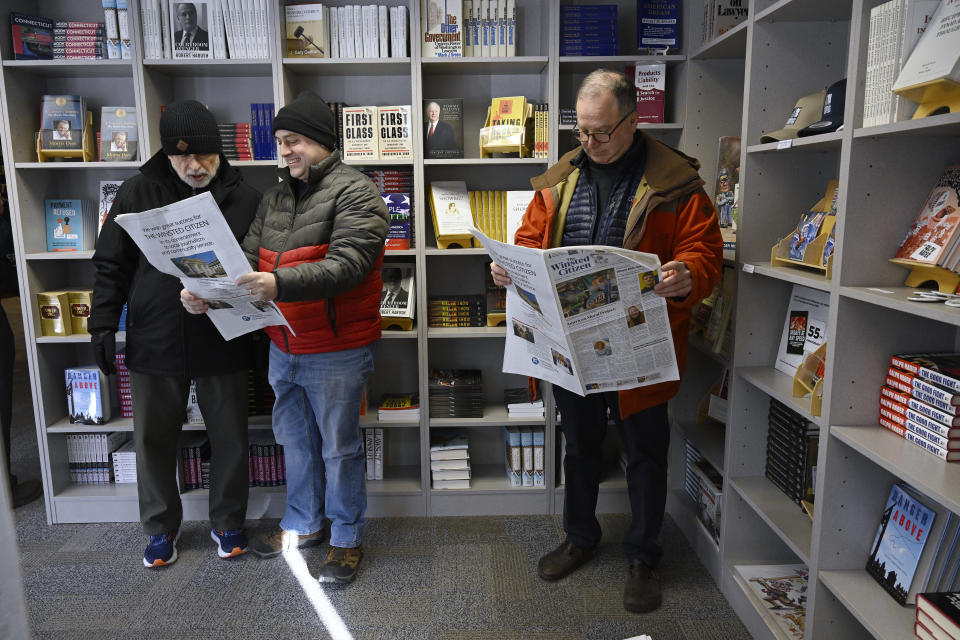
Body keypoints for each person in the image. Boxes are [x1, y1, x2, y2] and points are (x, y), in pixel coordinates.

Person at [490, 69, 722, 613]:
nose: (590, 144)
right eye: (582, 133)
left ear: (632, 121)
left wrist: (688, 273)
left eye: (601, 133)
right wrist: (509, 268)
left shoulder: (676, 184)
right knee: (580, 446)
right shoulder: (559, 180)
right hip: (571, 342)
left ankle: (643, 556)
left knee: (645, 452)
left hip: (639, 342)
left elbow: (705, 253)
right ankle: (580, 537)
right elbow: (528, 238)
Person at [186, 91, 387, 584]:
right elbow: (248, 260)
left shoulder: (358, 192)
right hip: (284, 343)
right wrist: (207, 294)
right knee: (295, 443)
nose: (286, 151)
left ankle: (346, 537)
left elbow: (348, 266)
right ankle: (303, 523)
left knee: (339, 448)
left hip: (336, 347)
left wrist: (279, 283)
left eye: (293, 140)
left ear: (320, 141)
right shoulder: (275, 196)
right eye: (279, 142)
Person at [89, 100, 261, 568]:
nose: (194, 166)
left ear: (219, 152)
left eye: (205, 156)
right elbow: (111, 266)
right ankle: (161, 528)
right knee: (152, 439)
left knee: (229, 436)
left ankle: (228, 522)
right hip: (155, 335)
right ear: (166, 154)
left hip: (223, 335)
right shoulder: (135, 192)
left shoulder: (247, 196)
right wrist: (102, 323)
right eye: (183, 157)